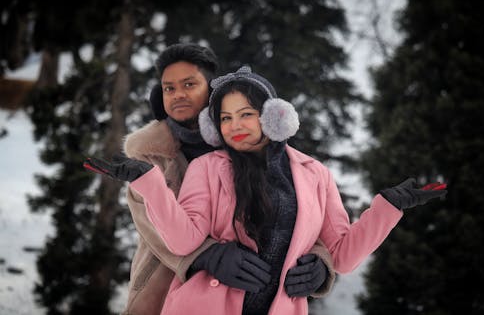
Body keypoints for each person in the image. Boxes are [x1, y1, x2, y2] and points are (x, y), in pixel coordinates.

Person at [85, 65, 447, 314]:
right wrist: (146, 180)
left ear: (273, 116)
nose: (235, 126)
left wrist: (389, 207)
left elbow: (343, 255)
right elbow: (184, 241)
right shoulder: (208, 168)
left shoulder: (315, 174)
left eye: (246, 114)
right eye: (225, 118)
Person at [90, 44, 335, 314]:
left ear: (211, 91)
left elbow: (291, 216)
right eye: (169, 89)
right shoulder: (148, 158)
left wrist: (321, 262)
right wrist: (207, 255)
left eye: (189, 84)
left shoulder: (247, 143)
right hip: (160, 291)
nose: (178, 95)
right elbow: (155, 230)